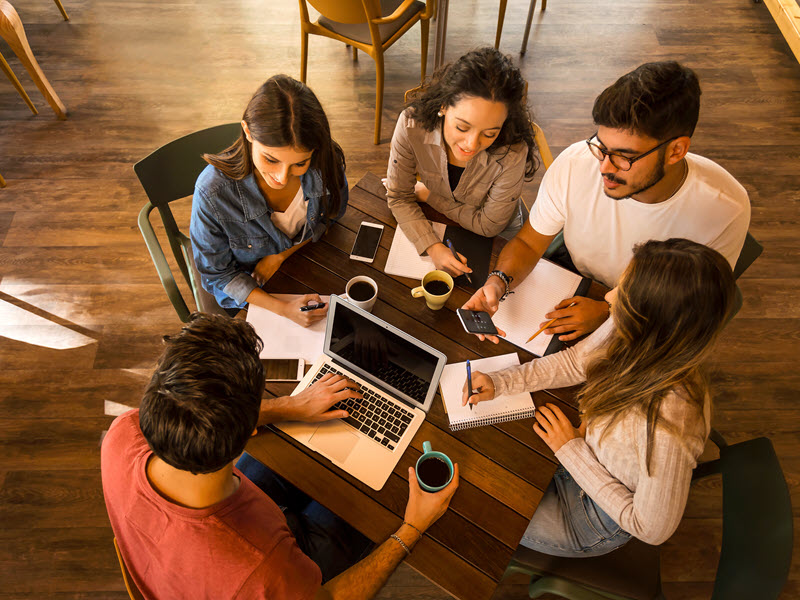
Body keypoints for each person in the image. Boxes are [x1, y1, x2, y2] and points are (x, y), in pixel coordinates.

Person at [101, 313, 458, 599]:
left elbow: (196, 412)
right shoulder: (261, 574)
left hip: (193, 557)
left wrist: (291, 406)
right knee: (364, 507)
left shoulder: (125, 431)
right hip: (269, 569)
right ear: (247, 432)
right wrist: (411, 528)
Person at [462, 238, 735, 555]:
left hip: (594, 513)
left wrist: (571, 450)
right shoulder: (639, 328)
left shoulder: (670, 425)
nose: (608, 297)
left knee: (474, 506)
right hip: (583, 448)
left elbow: (652, 528)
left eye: (623, 293)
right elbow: (576, 361)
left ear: (652, 319)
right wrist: (502, 382)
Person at [463, 61, 750, 342]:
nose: (604, 168)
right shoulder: (577, 163)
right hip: (574, 275)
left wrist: (608, 311)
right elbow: (528, 243)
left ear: (676, 150)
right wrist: (498, 281)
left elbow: (691, 307)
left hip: (646, 310)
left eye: (625, 156)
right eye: (601, 146)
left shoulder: (725, 208)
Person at [190, 75, 348, 326]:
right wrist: (284, 309)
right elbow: (218, 276)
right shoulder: (212, 193)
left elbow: (333, 213)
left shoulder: (325, 161)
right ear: (248, 132)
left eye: (300, 163)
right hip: (252, 288)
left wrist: (281, 255)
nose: (282, 177)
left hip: (302, 264)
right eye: (271, 160)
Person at [384, 47, 539, 277]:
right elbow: (398, 196)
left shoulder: (512, 153)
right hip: (451, 225)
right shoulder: (411, 126)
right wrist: (433, 246)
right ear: (444, 106)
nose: (471, 144)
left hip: (501, 237)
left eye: (489, 134)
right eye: (462, 127)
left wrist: (429, 196)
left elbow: (489, 227)